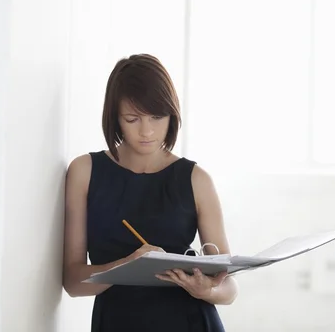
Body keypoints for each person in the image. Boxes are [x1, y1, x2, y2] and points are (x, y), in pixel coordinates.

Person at [62, 54, 238, 331]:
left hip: (191, 321)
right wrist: (126, 266)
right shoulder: (84, 171)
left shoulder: (196, 179)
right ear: (115, 118)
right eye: (132, 119)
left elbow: (228, 285)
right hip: (118, 322)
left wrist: (205, 290)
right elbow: (72, 281)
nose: (147, 131)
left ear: (172, 115)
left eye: (157, 117)